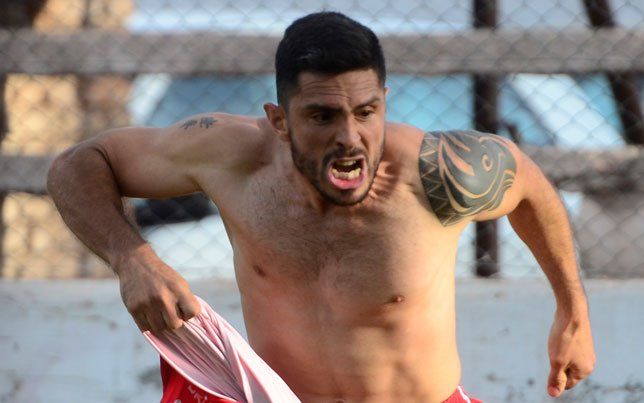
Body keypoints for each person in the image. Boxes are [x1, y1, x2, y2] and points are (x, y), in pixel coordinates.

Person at [47, 11, 595, 403]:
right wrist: (133, 259)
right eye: (322, 117)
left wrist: (572, 310)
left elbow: (531, 188)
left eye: (366, 112)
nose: (350, 137)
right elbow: (78, 164)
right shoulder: (229, 157)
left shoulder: (438, 173)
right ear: (279, 120)